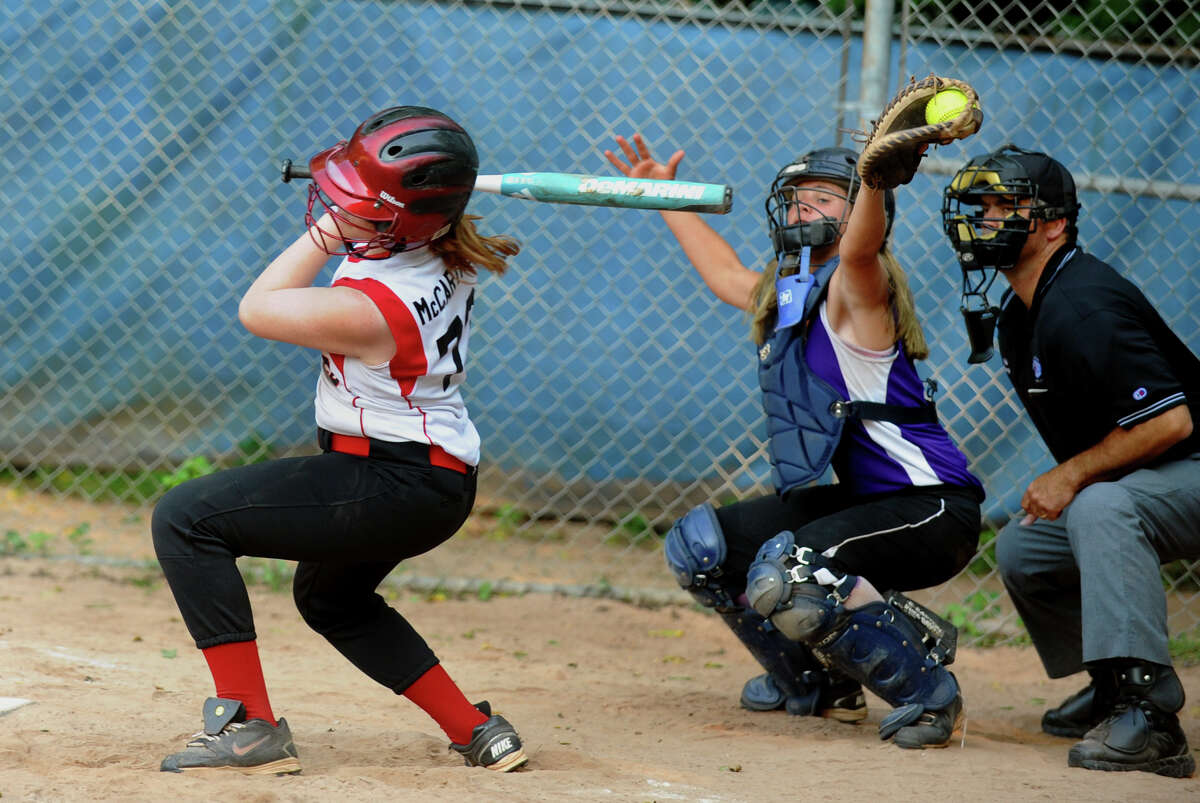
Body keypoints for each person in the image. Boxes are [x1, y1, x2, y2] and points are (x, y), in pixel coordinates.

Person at [151, 106, 528, 775]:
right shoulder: (441, 247)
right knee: (332, 599)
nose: (337, 205)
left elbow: (257, 307)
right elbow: (403, 224)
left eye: (363, 204)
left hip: (392, 478)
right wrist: (376, 206)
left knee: (186, 520)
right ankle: (476, 729)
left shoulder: (375, 310)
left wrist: (330, 233)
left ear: (409, 221)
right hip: (433, 477)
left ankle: (249, 724)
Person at [604, 134, 985, 749]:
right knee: (706, 546)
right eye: (797, 199)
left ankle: (930, 697)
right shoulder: (795, 292)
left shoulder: (861, 287)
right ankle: (818, 686)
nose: (803, 210)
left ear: (860, 209)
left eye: (825, 199)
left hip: (933, 509)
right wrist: (666, 196)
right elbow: (728, 277)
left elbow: (861, 250)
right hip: (872, 505)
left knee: (794, 569)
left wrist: (875, 182)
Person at [942, 144, 1200, 778]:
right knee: (1025, 551)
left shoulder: (1081, 304)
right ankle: (1113, 686)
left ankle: (1151, 716)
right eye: (981, 207)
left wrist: (1074, 474)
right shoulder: (1020, 317)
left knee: (1101, 503)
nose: (984, 220)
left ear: (1053, 223)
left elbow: (1172, 422)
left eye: (1006, 207)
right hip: (1165, 475)